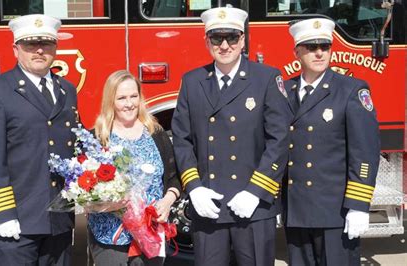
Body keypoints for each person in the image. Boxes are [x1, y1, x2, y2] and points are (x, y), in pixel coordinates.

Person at [171, 7, 292, 266]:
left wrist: (256, 191)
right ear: (207, 41)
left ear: (243, 40)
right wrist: (194, 188)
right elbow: (181, 140)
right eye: (216, 38)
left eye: (232, 38)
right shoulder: (192, 81)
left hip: (253, 205)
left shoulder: (267, 78)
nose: (224, 45)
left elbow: (279, 141)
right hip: (209, 204)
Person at [0, 14, 79, 265]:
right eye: (30, 44)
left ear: (56, 47)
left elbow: (74, 142)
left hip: (59, 218)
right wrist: (2, 213)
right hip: (18, 221)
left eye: (47, 44)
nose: (39, 50)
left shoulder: (67, 90)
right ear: (16, 49)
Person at [283, 18, 380, 265]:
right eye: (311, 46)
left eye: (324, 46)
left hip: (335, 212)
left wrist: (359, 205)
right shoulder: (284, 90)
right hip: (297, 211)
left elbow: (365, 152)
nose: (319, 52)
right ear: (297, 52)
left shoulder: (351, 90)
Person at [88, 70, 181, 266]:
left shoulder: (156, 132)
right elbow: (83, 195)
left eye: (133, 96)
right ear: (110, 101)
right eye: (121, 98)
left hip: (150, 233)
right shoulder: (98, 137)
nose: (129, 103)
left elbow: (175, 177)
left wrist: (166, 202)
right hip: (111, 237)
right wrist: (105, 204)